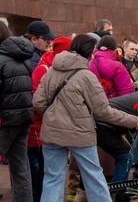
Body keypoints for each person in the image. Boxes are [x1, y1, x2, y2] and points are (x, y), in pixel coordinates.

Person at [32, 34, 138, 202]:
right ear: (90, 51)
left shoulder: (52, 70)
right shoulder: (86, 76)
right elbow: (103, 110)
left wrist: (53, 115)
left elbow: (38, 102)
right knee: (93, 177)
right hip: (80, 133)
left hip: (52, 132)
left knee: (52, 178)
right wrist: (131, 120)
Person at [29, 37, 72, 202]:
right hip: (39, 129)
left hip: (54, 127)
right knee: (42, 173)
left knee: (51, 174)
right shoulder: (44, 69)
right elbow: (37, 101)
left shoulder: (62, 69)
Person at [0, 21, 35, 202]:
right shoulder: (21, 57)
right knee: (20, 167)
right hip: (22, 118)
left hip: (4, 120)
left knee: (20, 166)